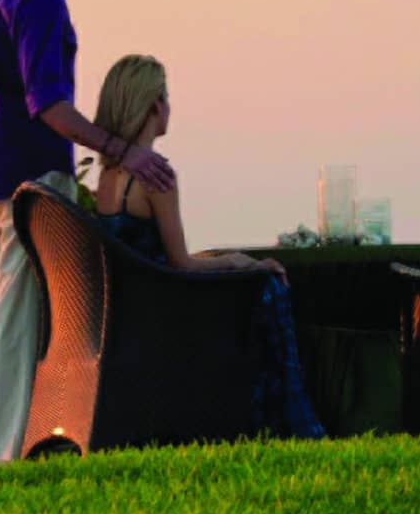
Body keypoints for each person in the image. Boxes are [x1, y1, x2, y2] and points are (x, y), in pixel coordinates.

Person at [0, 0, 176, 463]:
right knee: (20, 313)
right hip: (31, 170)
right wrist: (122, 148)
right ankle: (5, 454)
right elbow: (48, 105)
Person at [92, 54, 324, 440]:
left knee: (250, 274)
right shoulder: (155, 176)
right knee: (267, 287)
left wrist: (224, 261)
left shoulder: (107, 178)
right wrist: (240, 262)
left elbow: (157, 258)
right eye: (166, 98)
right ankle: (289, 423)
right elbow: (181, 264)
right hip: (166, 315)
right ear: (153, 106)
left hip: (131, 312)